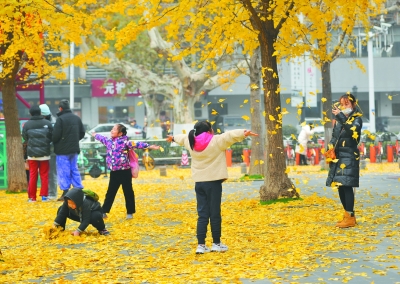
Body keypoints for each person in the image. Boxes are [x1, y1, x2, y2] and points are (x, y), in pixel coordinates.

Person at [166, 121, 258, 254]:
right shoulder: (216, 141)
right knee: (214, 213)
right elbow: (229, 136)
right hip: (213, 182)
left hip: (199, 183)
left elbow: (181, 138)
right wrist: (243, 133)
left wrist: (172, 138)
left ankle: (201, 245)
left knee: (202, 214)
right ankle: (216, 243)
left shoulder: (190, 141)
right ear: (209, 130)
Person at [92, 123, 160, 219]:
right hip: (114, 172)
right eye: (112, 129)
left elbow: (137, 144)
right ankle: (104, 211)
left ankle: (130, 212)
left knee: (128, 191)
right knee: (110, 192)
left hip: (125, 171)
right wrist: (95, 135)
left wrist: (150, 146)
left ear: (120, 133)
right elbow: (101, 138)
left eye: (114, 129)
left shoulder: (125, 142)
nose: (111, 130)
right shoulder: (109, 141)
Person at [326, 93, 362, 228]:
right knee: (340, 185)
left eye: (347, 104)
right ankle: (347, 215)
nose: (344, 106)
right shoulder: (340, 120)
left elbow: (354, 133)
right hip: (339, 156)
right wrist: (330, 148)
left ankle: (350, 217)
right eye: (342, 104)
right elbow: (335, 137)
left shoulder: (357, 119)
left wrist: (341, 116)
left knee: (347, 185)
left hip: (349, 155)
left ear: (353, 105)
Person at [52, 99, 85, 201]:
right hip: (74, 149)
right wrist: (74, 140)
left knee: (63, 171)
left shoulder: (60, 119)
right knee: (74, 169)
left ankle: (66, 192)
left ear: (60, 108)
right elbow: (82, 133)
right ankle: (78, 189)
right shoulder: (76, 118)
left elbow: (55, 136)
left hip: (62, 150)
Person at [22, 105, 53, 202]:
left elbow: (25, 137)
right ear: (40, 113)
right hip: (45, 154)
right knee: (44, 175)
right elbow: (51, 136)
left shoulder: (27, 124)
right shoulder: (47, 123)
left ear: (30, 113)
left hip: (32, 154)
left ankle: (32, 197)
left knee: (32, 175)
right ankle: (44, 196)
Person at [39, 103, 58, 200]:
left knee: (51, 172)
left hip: (51, 152)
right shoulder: (52, 121)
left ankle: (52, 193)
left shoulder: (51, 123)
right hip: (46, 151)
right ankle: (48, 193)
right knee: (47, 172)